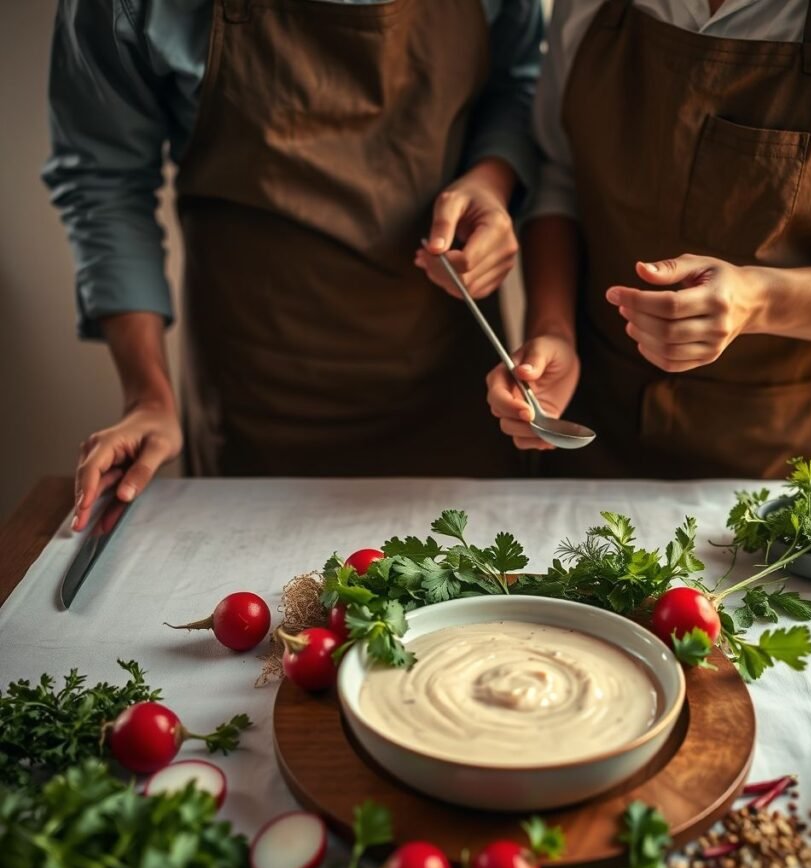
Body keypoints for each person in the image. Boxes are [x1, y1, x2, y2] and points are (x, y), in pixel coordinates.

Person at [45, 0, 543, 531]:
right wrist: (148, 395)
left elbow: (516, 86)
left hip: (454, 385)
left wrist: (491, 180)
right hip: (257, 395)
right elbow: (105, 180)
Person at [485, 0, 811, 478]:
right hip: (595, 418)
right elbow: (562, 172)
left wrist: (758, 301)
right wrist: (553, 331)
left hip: (781, 456)